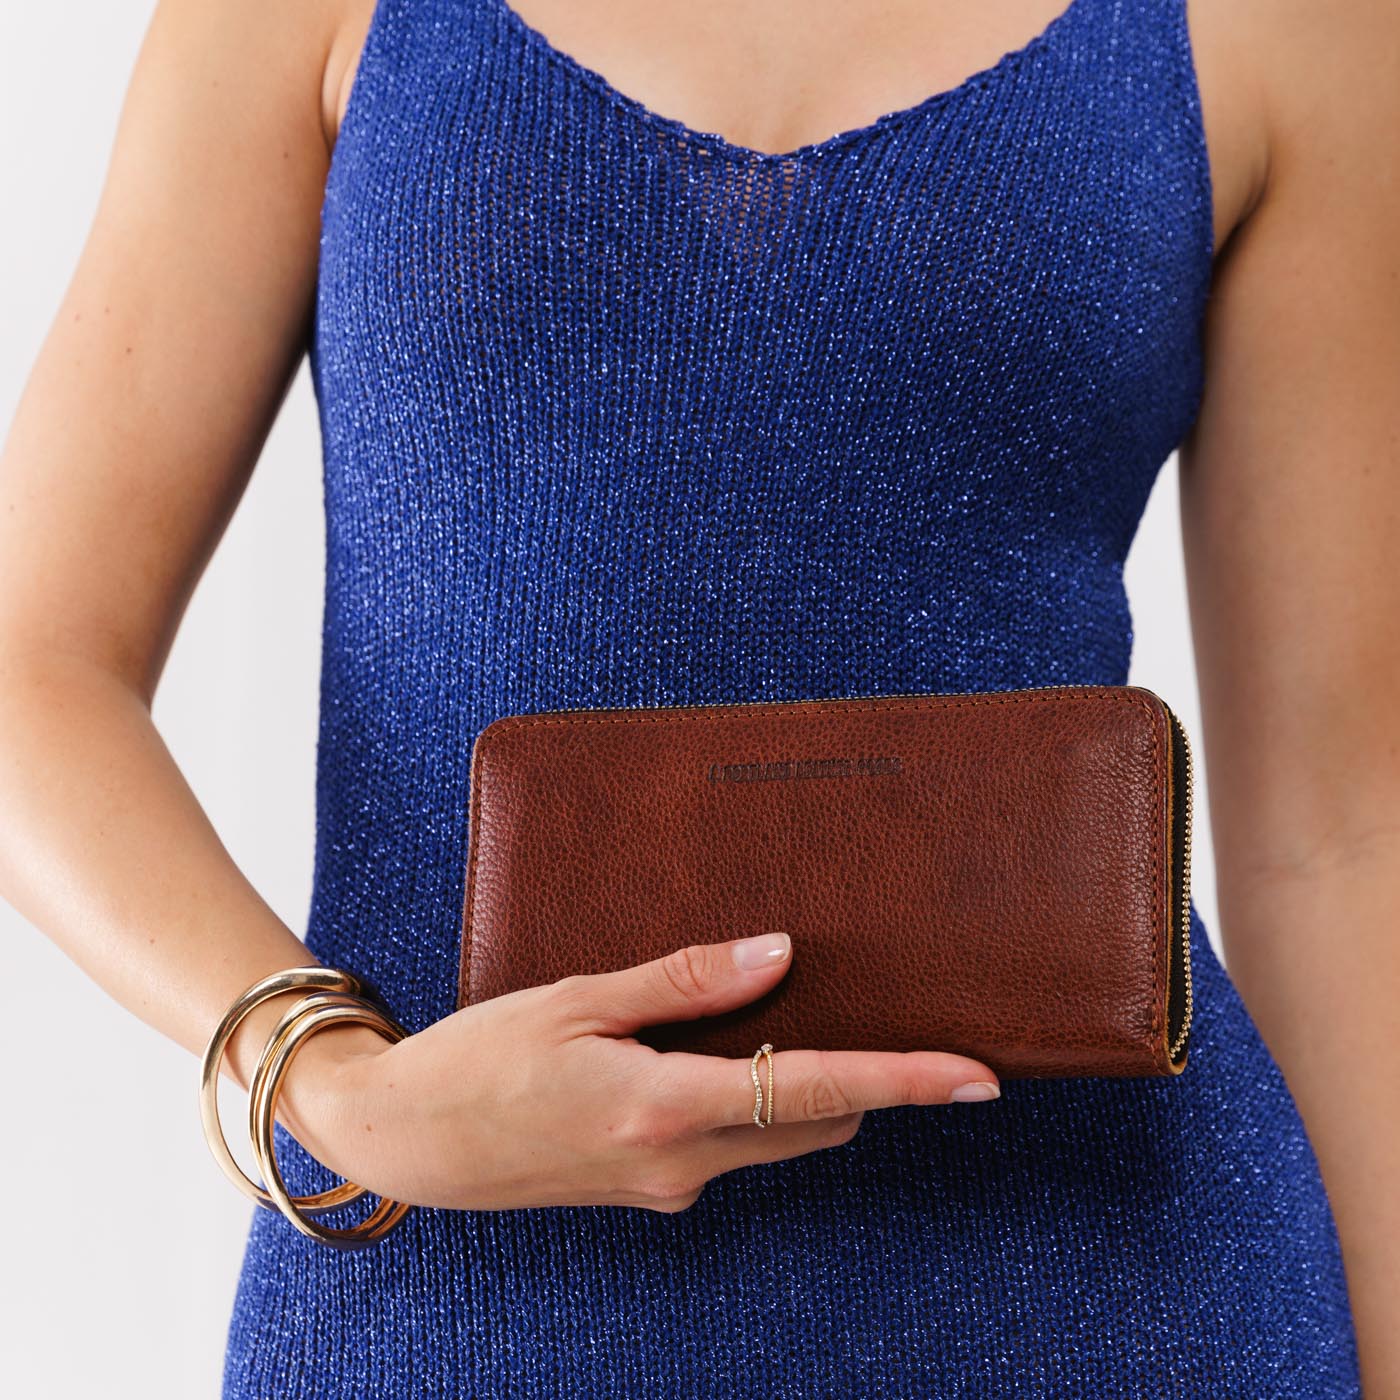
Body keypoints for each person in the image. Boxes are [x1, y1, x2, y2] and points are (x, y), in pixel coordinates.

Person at [0, 0, 1394, 1393]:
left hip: (1123, 1290)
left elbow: (1337, 842)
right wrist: (330, 1086)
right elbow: (33, 665)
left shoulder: (1289, 31)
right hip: (446, 1278)